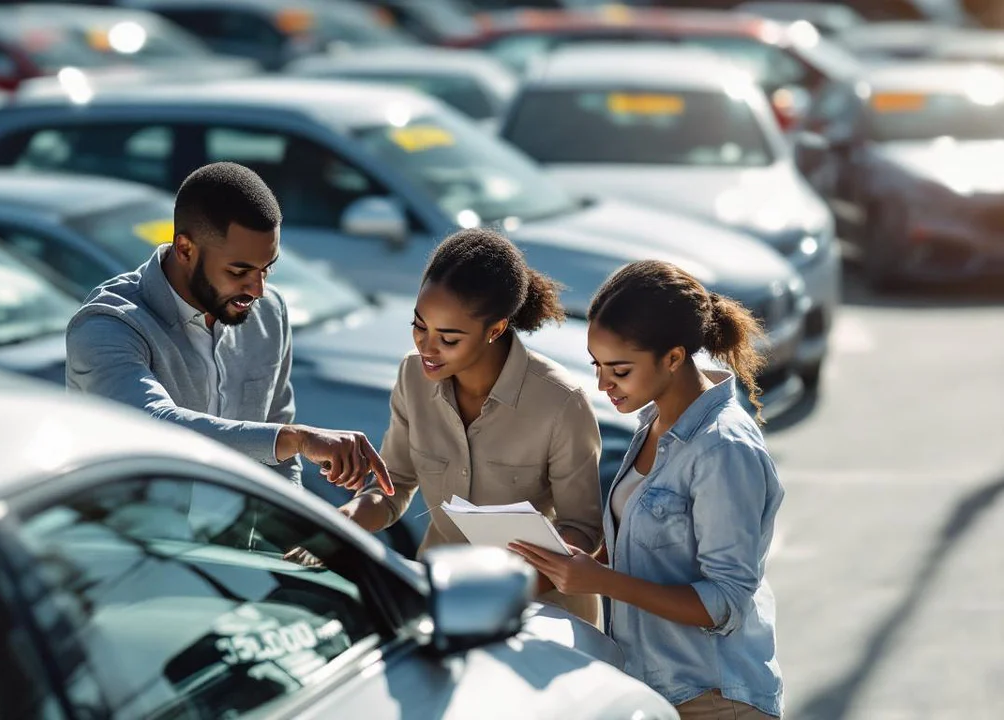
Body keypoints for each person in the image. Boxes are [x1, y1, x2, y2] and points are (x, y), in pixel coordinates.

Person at [509, 260, 784, 719]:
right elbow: (648, 553)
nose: (602, 383)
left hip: (714, 700)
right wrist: (561, 565)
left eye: (619, 369)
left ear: (673, 358)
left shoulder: (722, 449)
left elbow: (726, 601)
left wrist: (599, 581)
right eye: (597, 365)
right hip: (652, 689)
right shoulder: (654, 423)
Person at [66, 161, 392, 494]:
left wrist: (289, 538)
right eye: (239, 272)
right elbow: (154, 426)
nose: (257, 290)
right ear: (185, 249)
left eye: (267, 269)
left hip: (235, 542)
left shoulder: (269, 312)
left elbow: (278, 448)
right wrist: (296, 439)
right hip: (132, 541)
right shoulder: (108, 324)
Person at [338, 227, 605, 626]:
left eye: (448, 338)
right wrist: (344, 522)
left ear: (495, 330)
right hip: (440, 602)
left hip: (542, 617)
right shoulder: (412, 378)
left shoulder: (561, 401)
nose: (426, 347)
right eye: (419, 326)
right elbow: (392, 486)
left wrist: (506, 589)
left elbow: (583, 531)